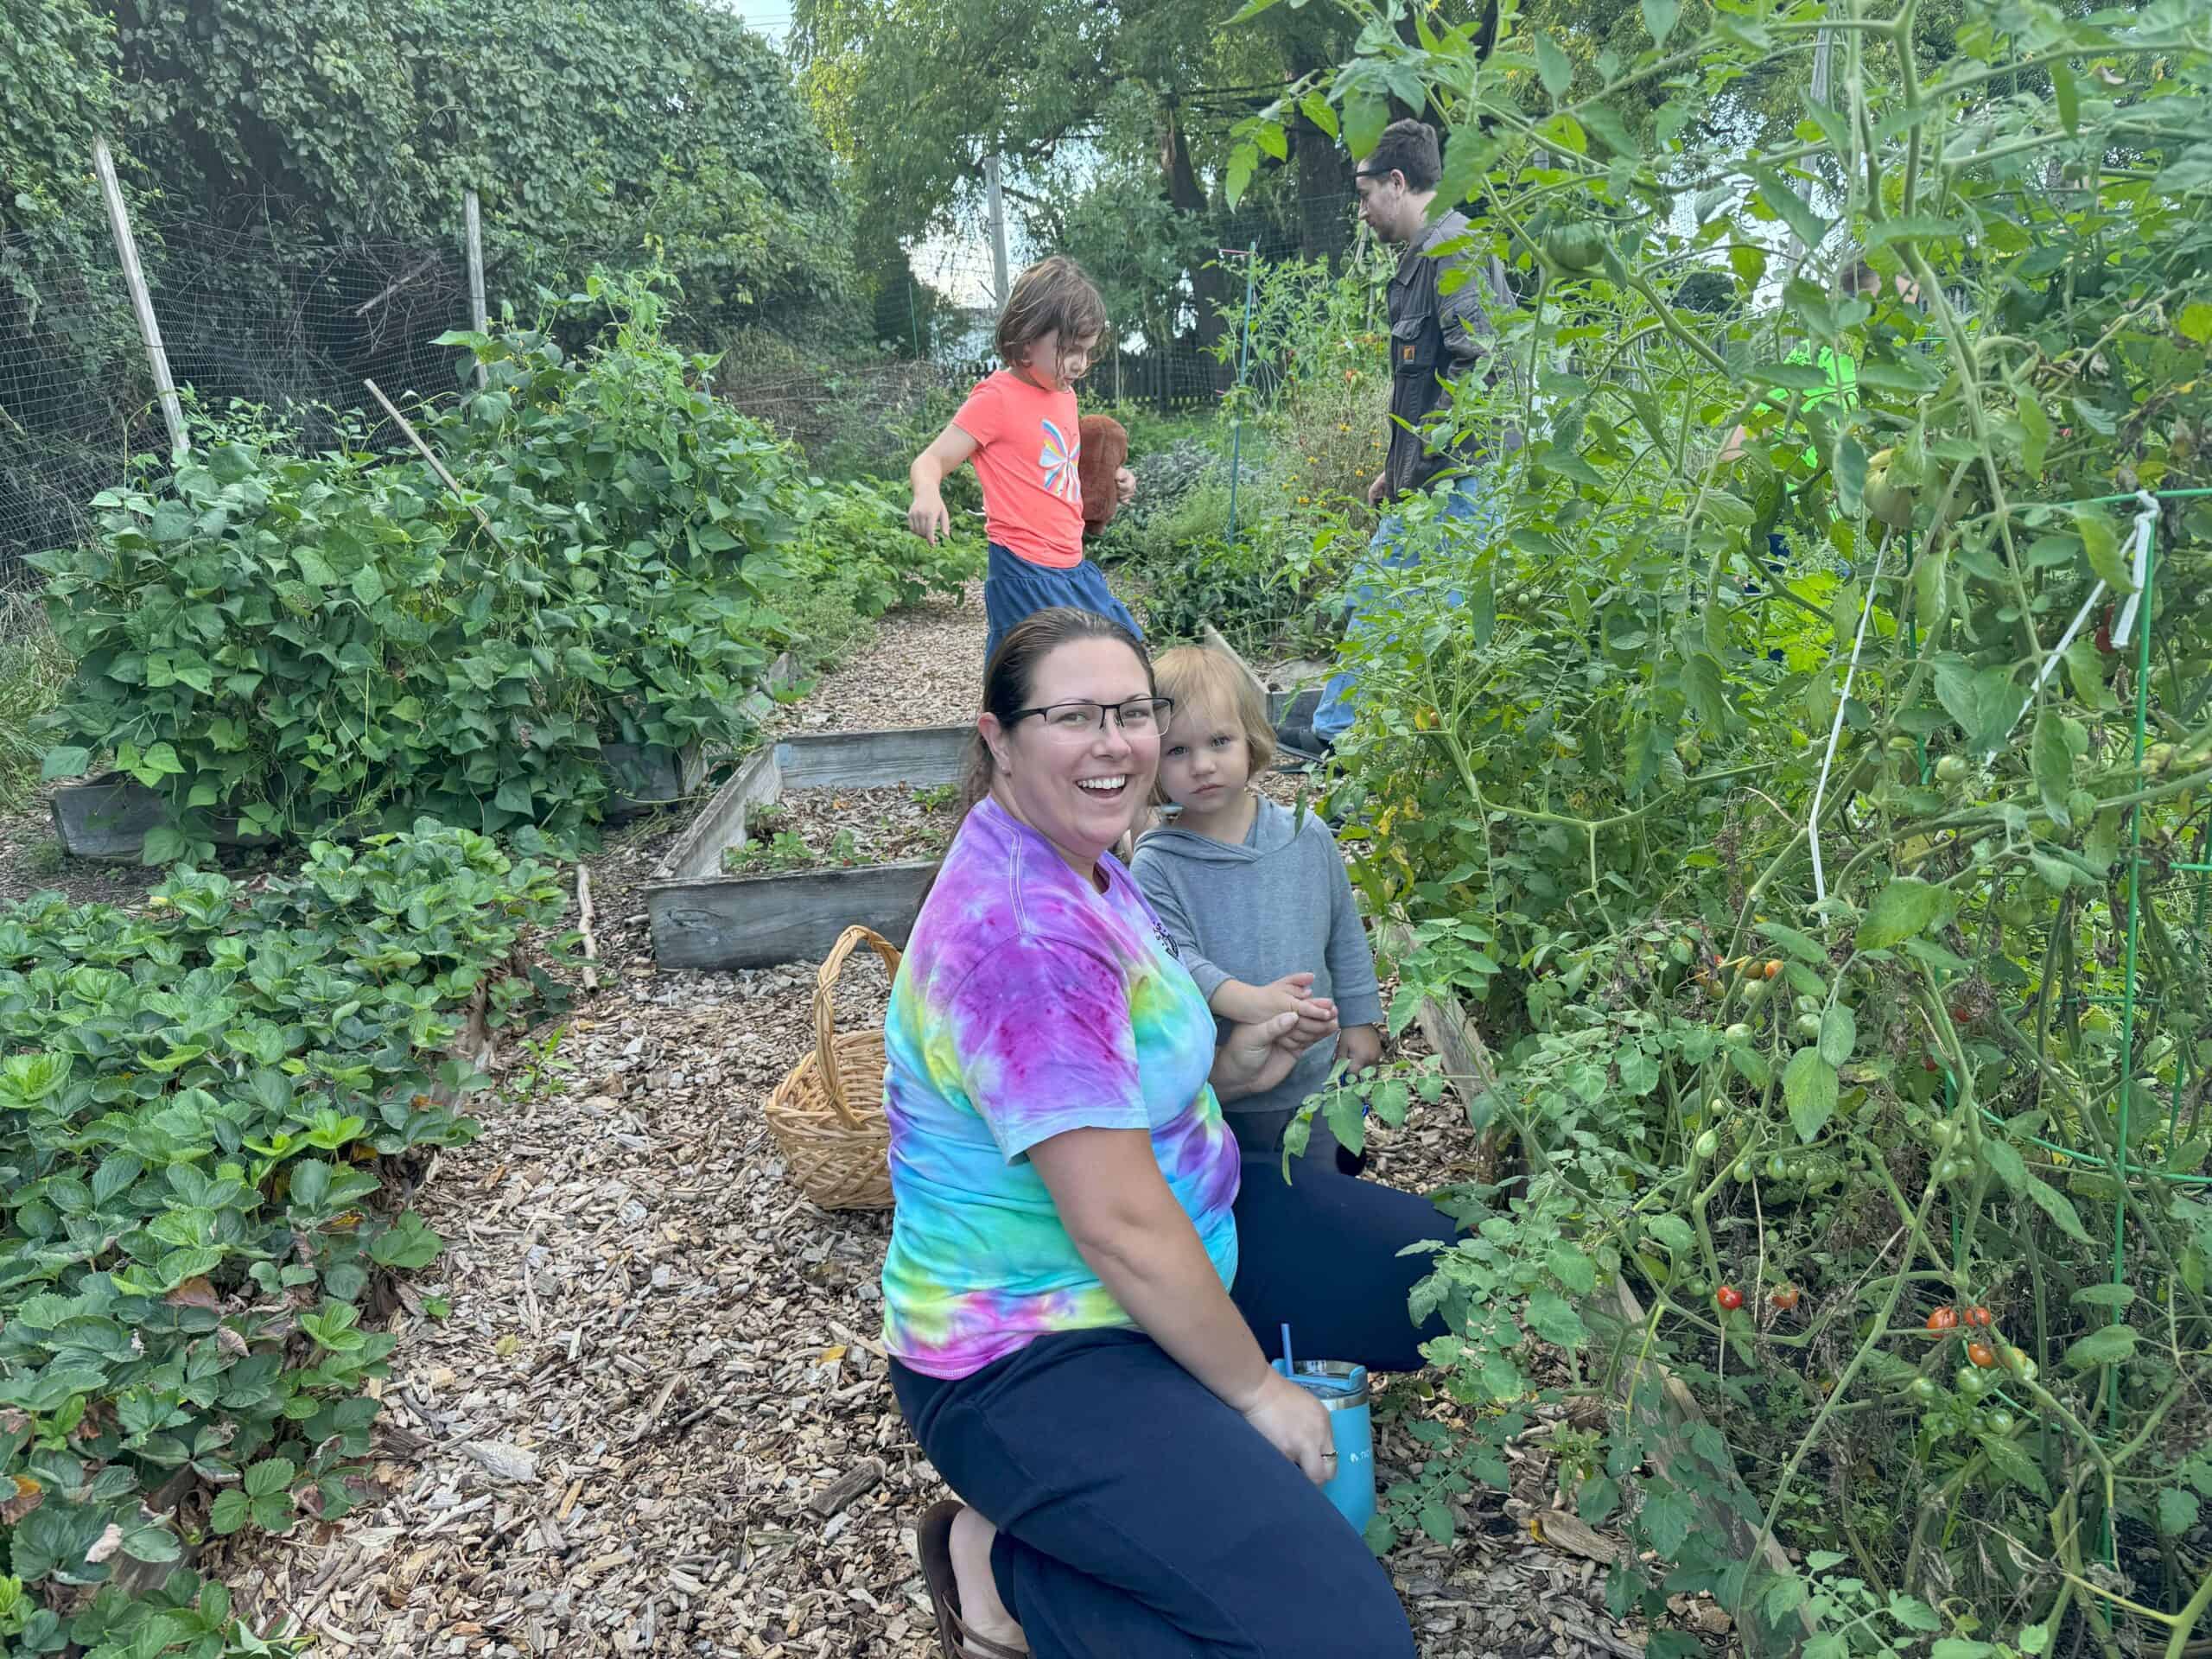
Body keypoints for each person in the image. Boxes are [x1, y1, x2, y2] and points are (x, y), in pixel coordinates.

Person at [882, 607, 1457, 1659]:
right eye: (1074, 717)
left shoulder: (1093, 858)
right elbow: (1116, 1228)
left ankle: (1144, 1511)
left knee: (1458, 1281)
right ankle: (1001, 1570)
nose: (1115, 742)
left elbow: (1137, 1080)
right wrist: (1255, 1390)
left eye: (1132, 713)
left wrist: (1236, 1068)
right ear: (998, 740)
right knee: (1338, 1642)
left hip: (1196, 1238)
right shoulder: (1020, 939)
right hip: (1040, 1347)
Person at [1279, 118, 1517, 760]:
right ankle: (1362, 744)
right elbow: (1432, 375)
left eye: (1363, 197)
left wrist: (1425, 456)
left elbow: (1480, 363)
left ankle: (1346, 744)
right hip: (1439, 473)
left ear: (1397, 181)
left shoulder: (1452, 251)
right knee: (1389, 601)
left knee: (1386, 599)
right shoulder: (1430, 254)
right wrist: (1400, 466)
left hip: (1462, 479)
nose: (1361, 213)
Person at [1132, 645, 1384, 1176]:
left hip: (1316, 1070)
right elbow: (1173, 963)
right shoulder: (1157, 864)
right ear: (1151, 762)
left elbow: (1344, 933)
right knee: (1239, 1198)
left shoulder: (1304, 834)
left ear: (1252, 739)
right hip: (1221, 1086)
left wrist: (1362, 1021)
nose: (1202, 766)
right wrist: (1252, 1003)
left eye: (1219, 741)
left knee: (1321, 1183)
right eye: (1177, 751)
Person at [906, 255, 1141, 671]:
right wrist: (927, 493)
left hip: (1071, 562)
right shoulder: (995, 399)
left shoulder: (1063, 396)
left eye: (1086, 352)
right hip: (1021, 568)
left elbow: (1059, 467)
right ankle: (1005, 735)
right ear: (1027, 336)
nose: (1079, 365)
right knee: (1033, 675)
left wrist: (1114, 477)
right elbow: (931, 460)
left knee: (1127, 651)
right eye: (1069, 350)